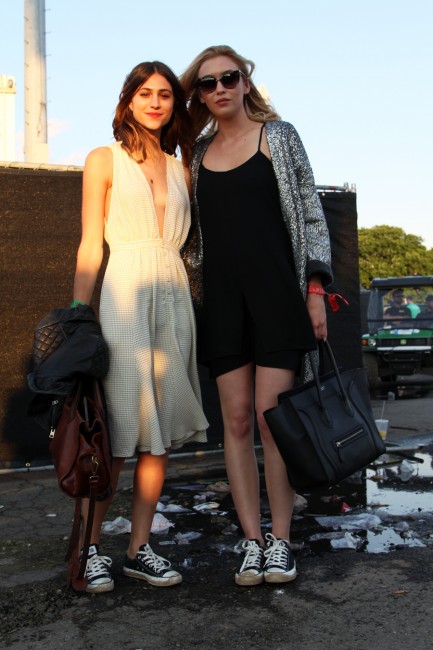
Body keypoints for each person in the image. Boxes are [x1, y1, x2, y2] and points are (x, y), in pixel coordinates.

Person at [180, 46, 333, 587]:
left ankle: (281, 541)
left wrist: (316, 290)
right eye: (208, 83)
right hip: (223, 303)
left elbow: (312, 216)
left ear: (246, 82)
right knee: (238, 421)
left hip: (276, 297)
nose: (220, 88)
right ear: (199, 95)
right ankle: (251, 541)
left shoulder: (280, 137)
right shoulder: (195, 155)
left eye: (229, 78)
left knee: (273, 420)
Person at [71, 61, 208, 593]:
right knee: (115, 435)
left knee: (159, 437)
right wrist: (78, 313)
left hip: (173, 298)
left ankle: (138, 549)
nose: (155, 102)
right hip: (124, 297)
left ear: (175, 104)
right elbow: (91, 243)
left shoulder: (183, 168)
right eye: (145, 93)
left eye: (165, 94)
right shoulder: (103, 159)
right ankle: (88, 550)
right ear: (128, 99)